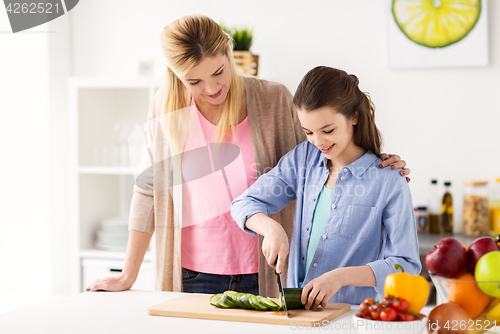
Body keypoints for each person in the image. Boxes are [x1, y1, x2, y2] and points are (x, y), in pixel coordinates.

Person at [87, 15, 411, 297]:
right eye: (194, 81)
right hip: (191, 273)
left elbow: (324, 152)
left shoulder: (274, 100)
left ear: (229, 51)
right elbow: (148, 193)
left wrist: (376, 162)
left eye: (218, 72)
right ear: (175, 74)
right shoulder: (166, 109)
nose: (212, 88)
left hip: (266, 272)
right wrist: (128, 275)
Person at [231, 66, 420, 308]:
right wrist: (271, 228)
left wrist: (340, 277)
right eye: (308, 132)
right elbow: (244, 203)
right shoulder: (303, 159)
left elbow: (405, 264)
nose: (318, 142)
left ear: (354, 117)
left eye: (328, 130)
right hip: (298, 315)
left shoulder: (389, 180)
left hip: (353, 318)